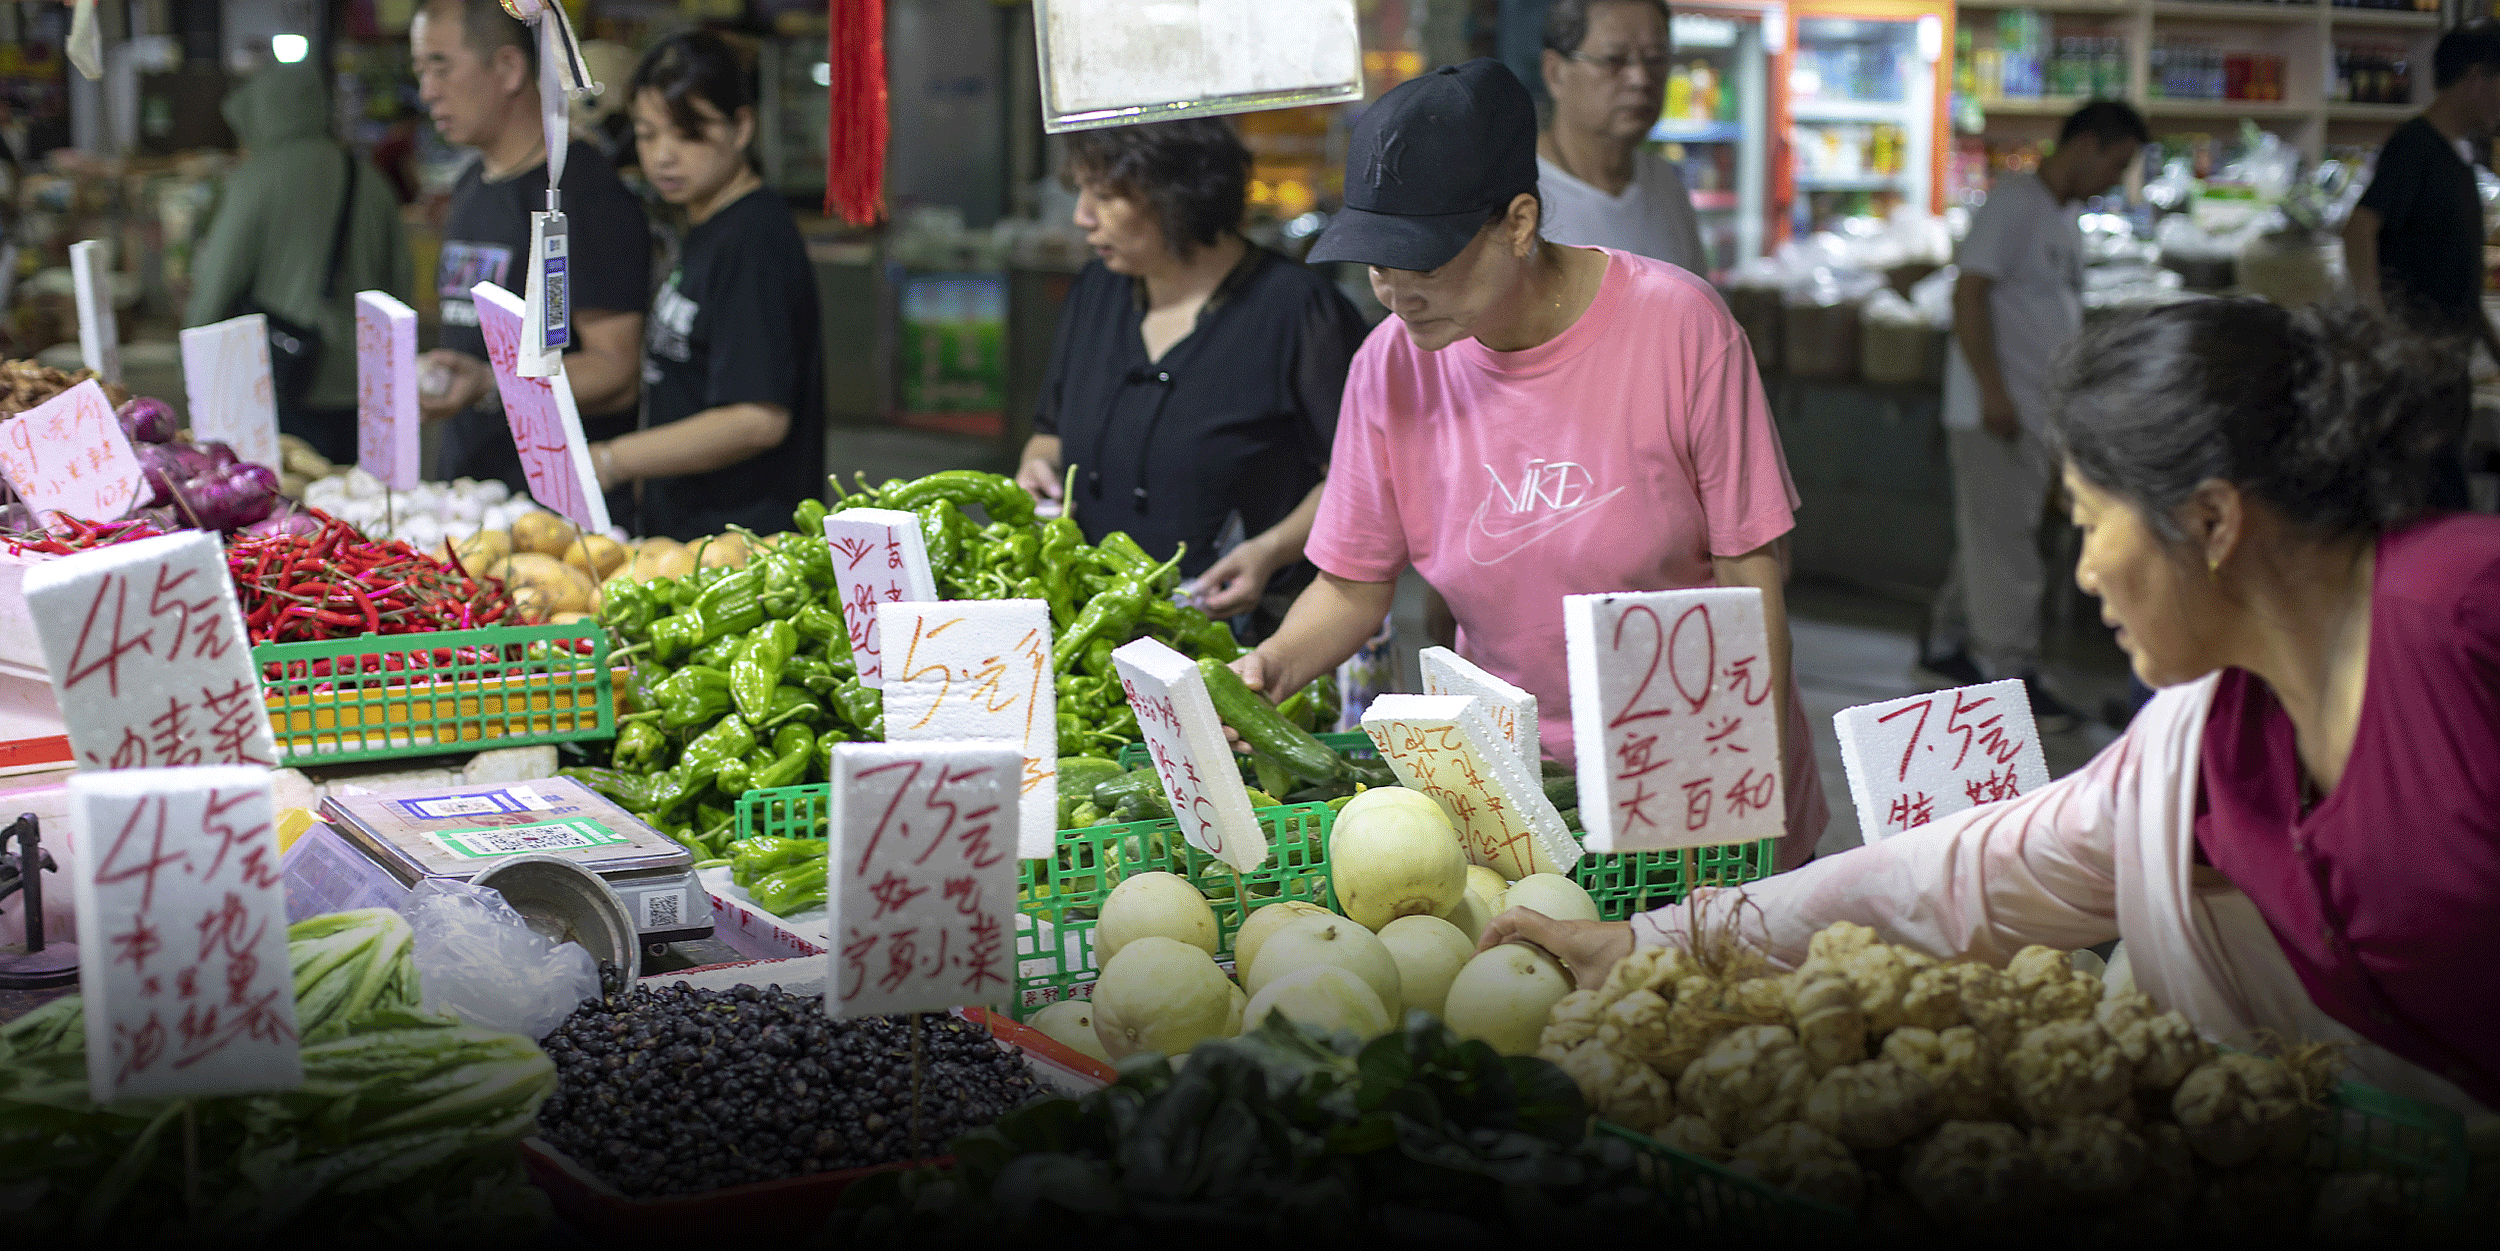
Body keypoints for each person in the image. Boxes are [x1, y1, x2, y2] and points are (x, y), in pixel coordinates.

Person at [1486, 298, 2500, 1117]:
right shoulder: (2209, 737)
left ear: (2210, 521)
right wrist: (1661, 941)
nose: (2089, 571)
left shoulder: (2465, 615)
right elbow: (1965, 873)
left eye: (2090, 524)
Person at [1239, 59, 1829, 869]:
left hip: (1693, 773)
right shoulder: (1389, 365)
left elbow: (1751, 573)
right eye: (1377, 262)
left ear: (1517, 223)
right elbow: (1352, 584)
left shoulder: (1679, 327)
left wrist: (1736, 797)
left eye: (1423, 263)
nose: (1394, 293)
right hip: (1515, 789)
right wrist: (1270, 665)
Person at [1017, 119, 1369, 638]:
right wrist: (1037, 469)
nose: (1082, 218)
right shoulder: (1097, 290)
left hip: (1240, 635)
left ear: (1180, 198)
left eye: (1107, 196)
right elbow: (1049, 432)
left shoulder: (1298, 310)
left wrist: (1269, 553)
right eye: (1082, 193)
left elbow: (1358, 479)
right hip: (1096, 625)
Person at [1921, 101, 2147, 733]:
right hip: (2000, 409)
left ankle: (1948, 647)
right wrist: (1994, 391)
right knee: (2008, 546)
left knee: (1991, 534)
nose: (2115, 179)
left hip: (2028, 407)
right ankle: (2007, 680)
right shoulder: (2016, 203)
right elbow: (1969, 292)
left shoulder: (2059, 215)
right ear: (2087, 145)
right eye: (2118, 162)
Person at [581, 30, 821, 541]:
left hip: (743, 546)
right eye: (647, 134)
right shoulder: (707, 226)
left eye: (688, 134)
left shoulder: (752, 241)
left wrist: (613, 459)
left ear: (741, 127)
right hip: (689, 533)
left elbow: (758, 418)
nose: (663, 156)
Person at [411, 0, 647, 513]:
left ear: (509, 69)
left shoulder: (583, 194)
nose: (427, 91)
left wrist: (487, 386)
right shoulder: (472, 182)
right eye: (420, 70)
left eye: (441, 66)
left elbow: (615, 370)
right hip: (470, 494)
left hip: (555, 514)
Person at [183, 61, 413, 465]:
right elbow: (401, 284)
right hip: (364, 389)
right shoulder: (369, 179)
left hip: (285, 382)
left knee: (294, 515)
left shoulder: (256, 179)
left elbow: (216, 283)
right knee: (358, 510)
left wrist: (197, 378)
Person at [2341, 19, 2500, 512]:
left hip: (2446, 362)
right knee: (2429, 499)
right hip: (2416, 365)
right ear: (2477, 79)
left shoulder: (2459, 157)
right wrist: (2378, 321)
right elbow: (2359, 227)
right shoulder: (2415, 146)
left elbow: (2460, 276)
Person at [1535, 0, 1708, 274]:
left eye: (1654, 60)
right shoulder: (1518, 196)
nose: (1641, 78)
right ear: (1555, 72)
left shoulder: (1665, 187)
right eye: (1614, 60)